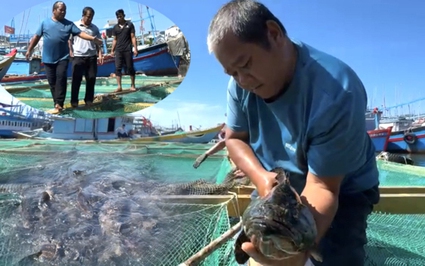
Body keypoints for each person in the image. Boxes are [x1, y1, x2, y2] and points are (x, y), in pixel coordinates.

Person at [207, 1, 380, 266]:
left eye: (245, 64)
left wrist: (294, 255)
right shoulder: (239, 84)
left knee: (336, 256)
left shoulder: (335, 92)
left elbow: (323, 187)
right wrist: (263, 180)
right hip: (277, 184)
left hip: (341, 187)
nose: (242, 81)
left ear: (274, 33)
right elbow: (234, 139)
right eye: (232, 73)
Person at [25, 1, 103, 114]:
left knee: (61, 79)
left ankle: (59, 104)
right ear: (54, 10)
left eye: (65, 10)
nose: (63, 12)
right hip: (48, 58)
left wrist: (93, 39)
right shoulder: (45, 23)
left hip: (63, 57)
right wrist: (29, 50)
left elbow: (81, 33)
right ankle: (56, 102)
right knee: (52, 83)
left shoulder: (69, 24)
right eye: (61, 10)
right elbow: (36, 37)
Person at [68, 6, 104, 108]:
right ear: (83, 15)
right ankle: (74, 101)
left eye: (91, 17)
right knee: (76, 80)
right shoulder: (75, 25)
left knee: (91, 79)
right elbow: (69, 40)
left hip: (91, 57)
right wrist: (70, 50)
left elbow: (98, 43)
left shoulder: (95, 28)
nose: (90, 19)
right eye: (88, 17)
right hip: (78, 56)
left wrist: (100, 54)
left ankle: (88, 100)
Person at [110, 9, 138, 93]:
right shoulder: (115, 28)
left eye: (120, 16)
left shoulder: (129, 25)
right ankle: (119, 86)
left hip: (127, 49)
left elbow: (133, 37)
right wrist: (112, 50)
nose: (119, 18)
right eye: (118, 17)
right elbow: (115, 39)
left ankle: (132, 85)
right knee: (117, 68)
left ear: (123, 15)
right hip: (118, 50)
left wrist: (135, 48)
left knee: (130, 67)